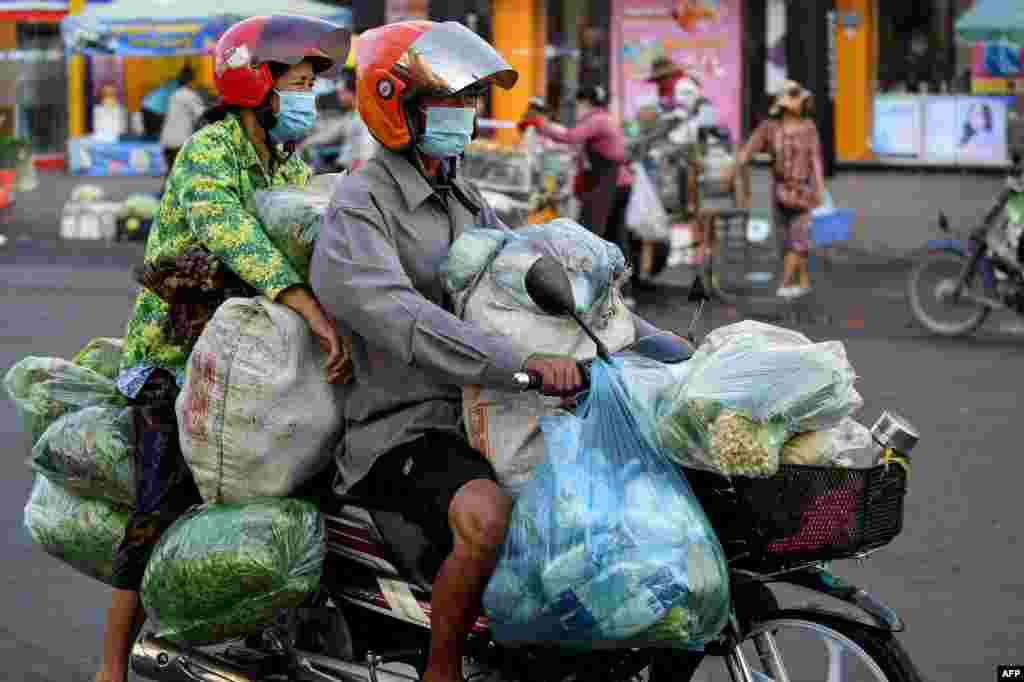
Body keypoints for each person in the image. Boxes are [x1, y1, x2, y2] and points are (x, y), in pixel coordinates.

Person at [310, 20, 696, 682]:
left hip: (486, 413)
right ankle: (442, 667)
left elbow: (519, 280)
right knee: (489, 518)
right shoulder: (360, 207)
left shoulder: (462, 192)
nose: (463, 115)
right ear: (393, 104)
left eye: (469, 101)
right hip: (402, 428)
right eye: (446, 101)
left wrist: (646, 339)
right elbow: (401, 318)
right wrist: (517, 366)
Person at [93, 15, 350, 682]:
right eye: (296, 85)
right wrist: (306, 305)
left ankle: (271, 633)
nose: (306, 99)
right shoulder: (211, 150)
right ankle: (111, 664)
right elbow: (236, 235)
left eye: (311, 87)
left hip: (257, 357)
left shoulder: (289, 160)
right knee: (162, 502)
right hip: (177, 363)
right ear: (253, 84)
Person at [519, 85, 636, 304]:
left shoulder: (596, 119)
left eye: (578, 103)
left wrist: (540, 125)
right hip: (619, 183)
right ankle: (624, 293)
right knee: (616, 236)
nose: (577, 108)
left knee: (592, 235)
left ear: (585, 102)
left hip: (608, 183)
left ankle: (592, 291)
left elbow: (572, 137)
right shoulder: (606, 118)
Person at [728, 79, 826, 299]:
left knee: (797, 238)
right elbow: (747, 152)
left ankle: (785, 283)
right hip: (779, 192)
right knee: (784, 239)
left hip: (804, 191)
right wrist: (733, 168)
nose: (802, 104)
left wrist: (820, 189)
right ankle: (802, 281)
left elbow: (816, 160)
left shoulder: (809, 128)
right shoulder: (769, 127)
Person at [159, 65, 206, 174]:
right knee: (184, 175)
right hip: (180, 142)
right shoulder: (189, 95)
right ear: (191, 81)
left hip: (166, 141)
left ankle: (166, 190)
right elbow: (202, 114)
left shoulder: (174, 95)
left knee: (172, 175)